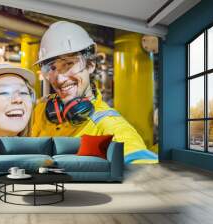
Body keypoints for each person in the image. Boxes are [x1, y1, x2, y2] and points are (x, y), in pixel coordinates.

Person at [32, 21, 158, 164]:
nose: (60, 79)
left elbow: (141, 166)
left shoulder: (111, 128)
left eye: (69, 64)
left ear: (90, 64)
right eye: (52, 68)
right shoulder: (42, 110)